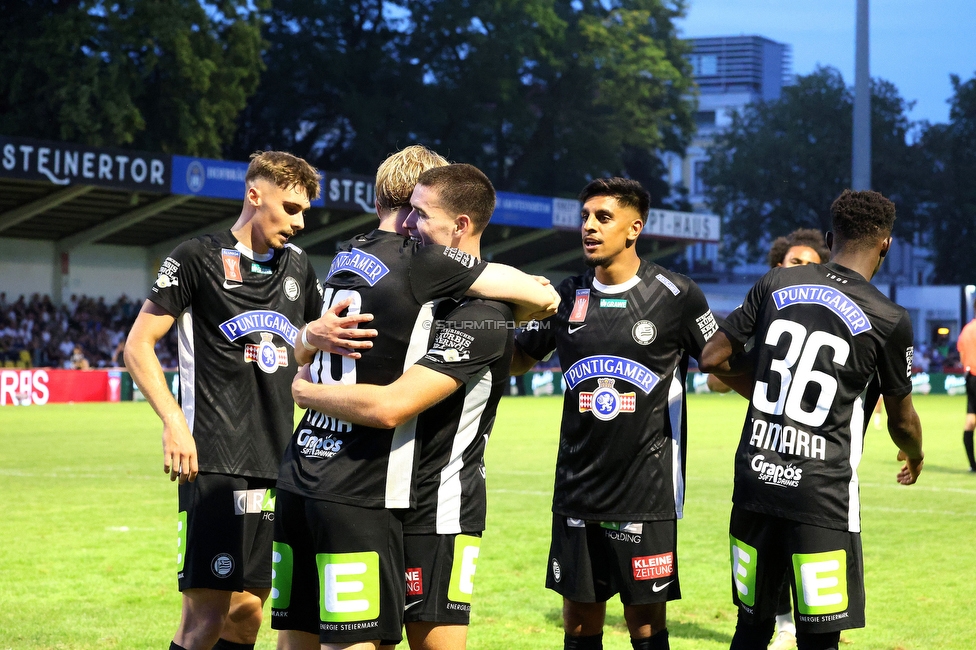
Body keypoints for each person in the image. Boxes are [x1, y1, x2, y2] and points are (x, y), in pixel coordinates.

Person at [271, 151, 559, 650]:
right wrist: (539, 297)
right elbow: (542, 298)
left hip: (346, 482)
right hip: (372, 486)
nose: (417, 224)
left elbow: (309, 353)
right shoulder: (421, 265)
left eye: (427, 215)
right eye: (419, 211)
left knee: (311, 636)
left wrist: (306, 373)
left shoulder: (348, 254)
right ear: (410, 205)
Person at [699, 189, 924, 650]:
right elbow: (901, 418)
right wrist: (915, 452)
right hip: (822, 497)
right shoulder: (888, 316)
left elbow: (712, 358)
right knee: (819, 640)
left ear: (828, 237)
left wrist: (766, 393)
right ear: (886, 245)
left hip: (756, 484)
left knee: (751, 628)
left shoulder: (776, 284)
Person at [125, 150, 325, 650]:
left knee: (249, 612)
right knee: (205, 616)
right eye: (292, 208)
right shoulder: (196, 257)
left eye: (305, 212)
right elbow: (136, 345)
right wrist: (173, 421)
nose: (300, 223)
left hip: (278, 462)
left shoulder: (300, 267)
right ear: (255, 196)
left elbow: (319, 346)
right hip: (213, 460)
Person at [512, 177, 718, 650]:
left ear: (634, 228)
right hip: (577, 490)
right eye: (584, 217)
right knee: (580, 625)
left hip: (646, 492)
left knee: (646, 629)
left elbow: (720, 362)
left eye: (603, 217)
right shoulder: (565, 295)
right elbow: (519, 357)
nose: (588, 226)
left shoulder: (676, 294)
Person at [708, 229, 829, 398]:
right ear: (778, 267)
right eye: (796, 261)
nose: (802, 269)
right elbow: (715, 382)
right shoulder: (758, 312)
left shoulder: (831, 318)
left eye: (811, 266)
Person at [957, 298, 976, 472]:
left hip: (970, 376)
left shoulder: (967, 330)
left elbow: (962, 357)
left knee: (970, 418)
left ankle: (972, 463)